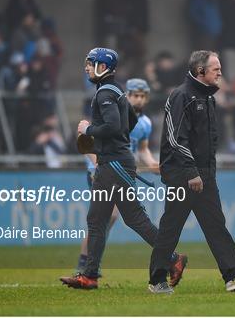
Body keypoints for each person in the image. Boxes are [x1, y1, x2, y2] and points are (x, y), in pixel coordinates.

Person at [60, 48, 186, 289]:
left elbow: (113, 126)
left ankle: (173, 259)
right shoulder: (116, 90)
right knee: (98, 219)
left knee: (133, 218)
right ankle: (90, 275)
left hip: (113, 164)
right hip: (115, 162)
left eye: (90, 63)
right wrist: (114, 144)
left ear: (102, 66)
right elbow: (131, 122)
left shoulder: (104, 94)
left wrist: (88, 130)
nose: (86, 67)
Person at [148, 50, 235, 294]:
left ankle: (234, 275)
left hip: (203, 175)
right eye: (216, 68)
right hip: (184, 174)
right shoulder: (182, 96)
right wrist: (192, 172)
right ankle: (156, 280)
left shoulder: (207, 98)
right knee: (171, 227)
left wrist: (205, 173)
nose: (221, 72)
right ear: (200, 71)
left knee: (215, 225)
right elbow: (175, 139)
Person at [74, 77, 160, 274]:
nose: (139, 100)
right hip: (101, 171)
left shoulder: (144, 122)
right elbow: (87, 143)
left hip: (120, 169)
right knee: (108, 217)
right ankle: (86, 264)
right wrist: (99, 165)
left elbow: (143, 150)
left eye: (143, 96)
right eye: (135, 95)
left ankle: (88, 266)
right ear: (127, 95)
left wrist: (153, 164)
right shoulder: (110, 112)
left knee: (108, 219)